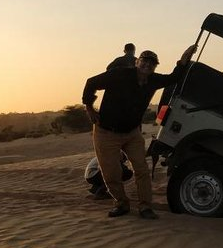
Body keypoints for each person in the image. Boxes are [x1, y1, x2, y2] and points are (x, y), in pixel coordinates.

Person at [82, 44, 197, 219]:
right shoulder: (119, 74)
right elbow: (91, 83)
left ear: (154, 67)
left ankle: (145, 207)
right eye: (144, 61)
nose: (147, 65)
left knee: (142, 170)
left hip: (132, 133)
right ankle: (121, 203)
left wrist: (183, 60)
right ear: (137, 62)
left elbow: (173, 78)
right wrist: (89, 107)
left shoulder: (153, 81)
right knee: (111, 173)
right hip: (106, 132)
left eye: (152, 64)